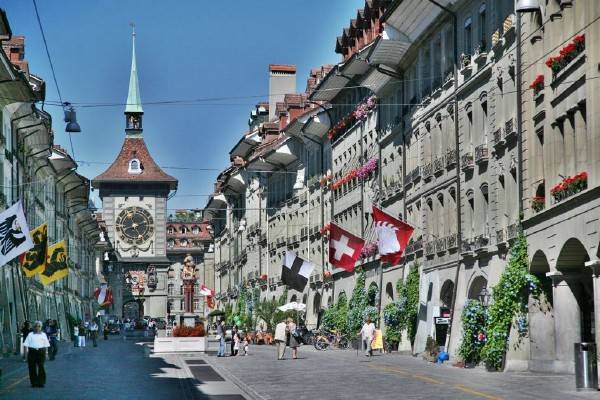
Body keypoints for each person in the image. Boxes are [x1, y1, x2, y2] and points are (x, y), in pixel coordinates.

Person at [23, 321, 50, 388]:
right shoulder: (30, 334)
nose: (37, 327)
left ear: (41, 327)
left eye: (39, 326)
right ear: (33, 327)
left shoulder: (43, 334)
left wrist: (46, 354)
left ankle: (41, 382)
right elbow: (26, 345)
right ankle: (34, 383)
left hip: (41, 352)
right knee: (32, 368)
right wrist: (26, 356)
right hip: (32, 352)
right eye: (36, 326)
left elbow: (46, 345)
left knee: (41, 367)